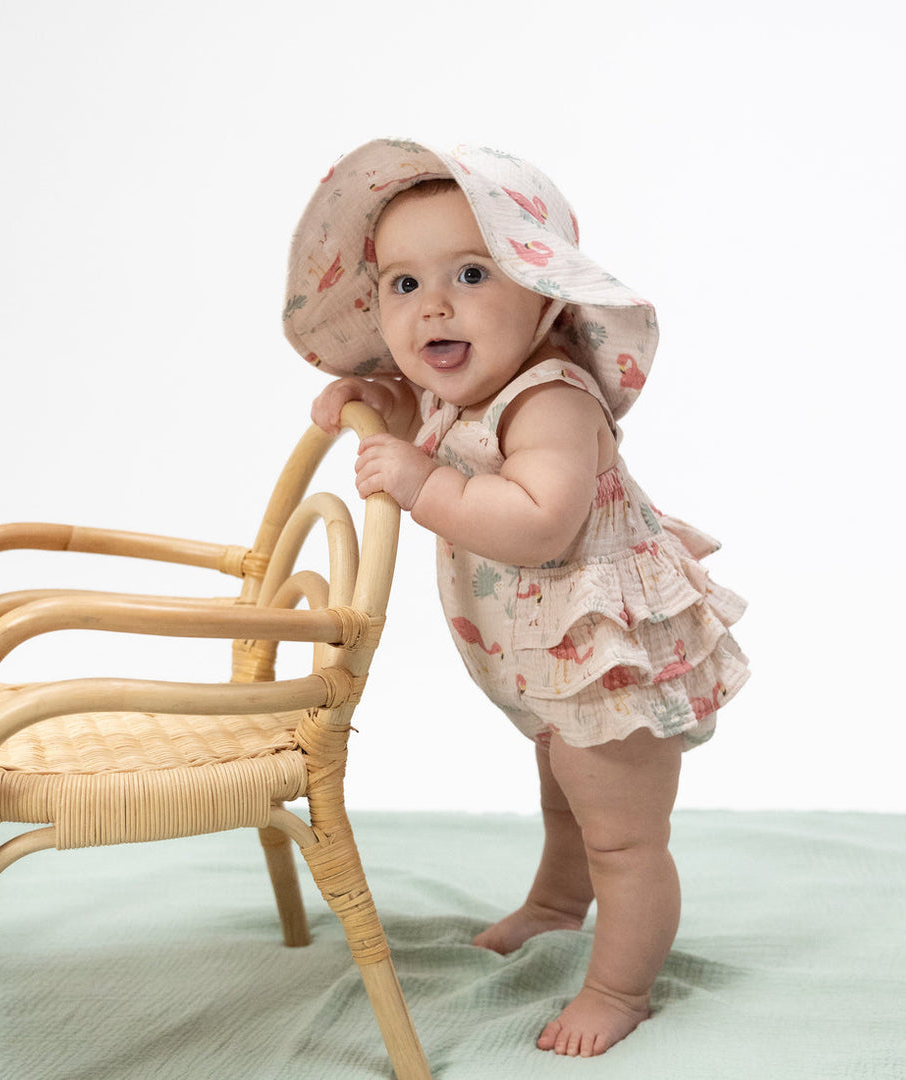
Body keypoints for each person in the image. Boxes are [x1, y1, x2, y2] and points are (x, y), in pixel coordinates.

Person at [284, 138, 749, 1058]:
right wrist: (377, 394)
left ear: (544, 297)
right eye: (403, 286)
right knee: (563, 801)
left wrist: (423, 487)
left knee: (624, 837)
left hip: (612, 663)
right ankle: (553, 902)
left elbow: (539, 519)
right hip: (553, 665)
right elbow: (436, 418)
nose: (434, 306)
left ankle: (620, 988)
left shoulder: (551, 400)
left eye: (470, 272)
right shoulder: (469, 389)